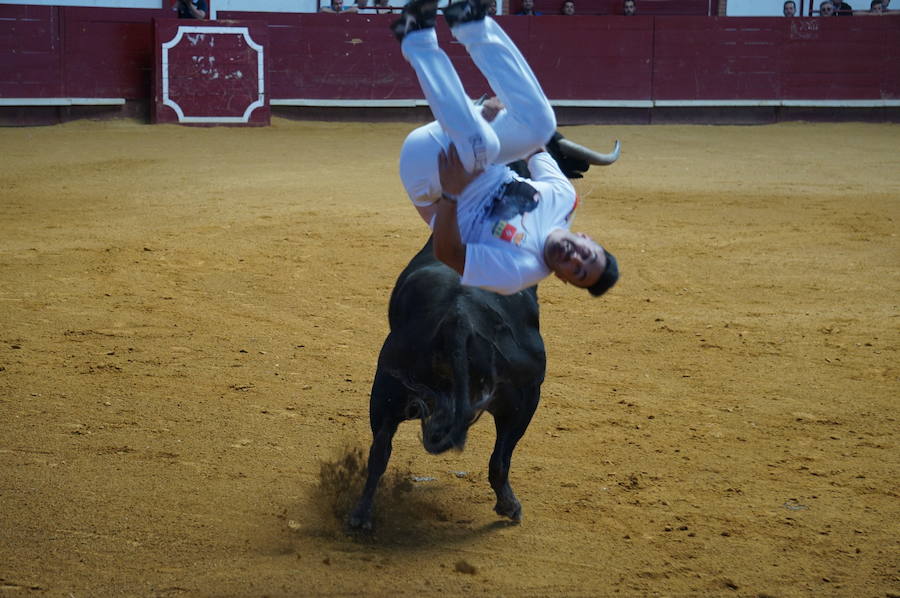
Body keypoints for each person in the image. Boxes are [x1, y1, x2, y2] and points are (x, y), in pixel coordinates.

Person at [390, 0, 619, 297]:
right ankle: (472, 24)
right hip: (468, 145)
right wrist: (505, 117)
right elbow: (535, 148)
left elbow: (449, 255)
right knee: (541, 125)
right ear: (589, 239)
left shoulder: (520, 271)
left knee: (483, 145)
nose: (575, 259)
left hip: (431, 174)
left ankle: (416, 36)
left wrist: (450, 194)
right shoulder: (564, 199)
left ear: (563, 279)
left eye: (577, 272)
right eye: (587, 255)